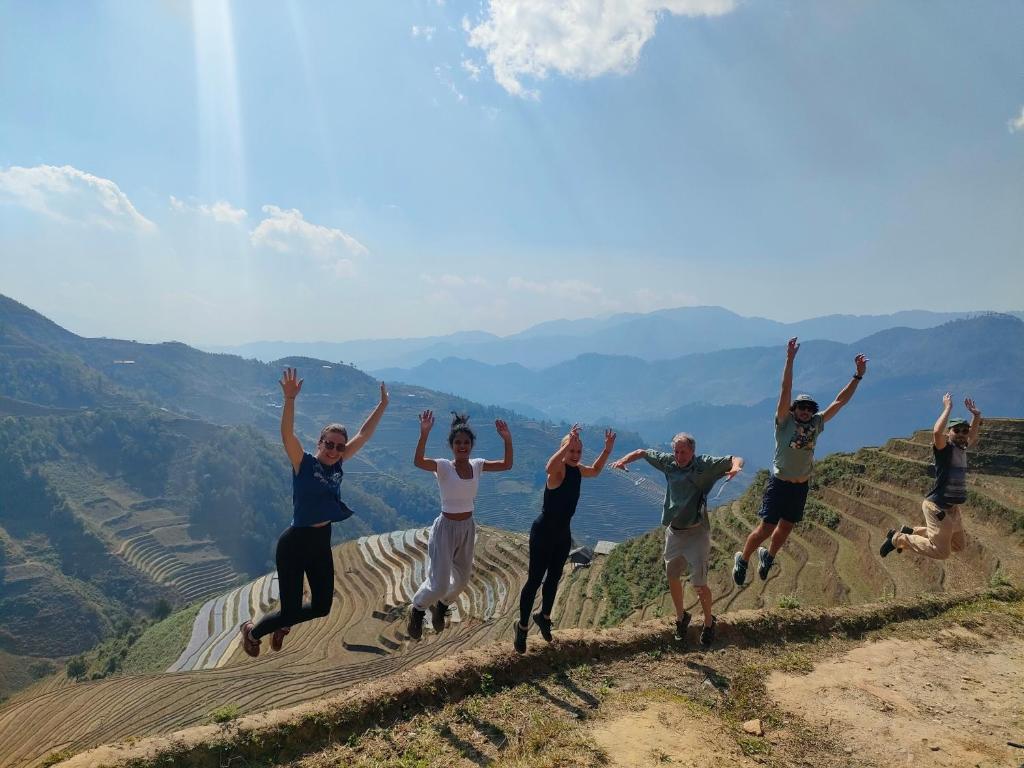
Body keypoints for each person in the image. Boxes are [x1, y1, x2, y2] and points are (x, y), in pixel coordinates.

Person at [239, 368, 389, 657]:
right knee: (291, 609)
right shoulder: (303, 462)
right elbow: (286, 434)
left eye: (339, 446)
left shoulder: (339, 462)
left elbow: (364, 434)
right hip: (294, 544)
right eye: (329, 444)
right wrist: (290, 399)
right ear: (319, 442)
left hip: (321, 541)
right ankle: (252, 631)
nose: (334, 449)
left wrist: (382, 406)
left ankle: (285, 623)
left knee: (321, 606)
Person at [733, 338, 868, 585]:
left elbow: (840, 401)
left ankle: (768, 557)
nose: (805, 411)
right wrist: (790, 359)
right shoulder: (784, 423)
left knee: (785, 528)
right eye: (801, 407)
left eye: (809, 407)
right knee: (766, 528)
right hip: (780, 484)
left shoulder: (817, 424)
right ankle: (743, 559)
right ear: (794, 409)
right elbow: (785, 390)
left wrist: (857, 377)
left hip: (800, 486)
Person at [611, 434, 743, 646]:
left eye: (683, 452)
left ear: (693, 451)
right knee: (672, 575)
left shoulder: (704, 465)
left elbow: (735, 458)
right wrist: (623, 461)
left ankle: (709, 622)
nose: (679, 456)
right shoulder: (669, 463)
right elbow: (642, 452)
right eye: (676, 451)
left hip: (696, 533)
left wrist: (736, 468)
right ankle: (682, 617)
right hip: (674, 531)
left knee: (699, 584)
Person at [407, 410, 513, 640]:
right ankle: (417, 610)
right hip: (445, 528)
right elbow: (418, 461)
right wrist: (423, 433)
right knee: (439, 583)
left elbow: (506, 465)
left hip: (467, 527)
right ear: (451, 445)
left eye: (466, 442)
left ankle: (442, 607)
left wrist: (506, 438)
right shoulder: (444, 466)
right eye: (458, 442)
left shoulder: (477, 465)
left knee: (463, 579)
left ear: (472, 445)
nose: (462, 446)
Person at [514, 425, 616, 653]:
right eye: (571, 450)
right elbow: (549, 466)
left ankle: (544, 616)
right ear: (562, 450)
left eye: (578, 451)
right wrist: (567, 444)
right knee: (535, 580)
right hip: (543, 533)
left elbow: (596, 470)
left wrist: (607, 450)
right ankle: (521, 628)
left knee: (554, 577)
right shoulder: (557, 473)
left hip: (562, 534)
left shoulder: (578, 471)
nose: (575, 455)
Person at [880, 394, 982, 559]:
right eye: (956, 430)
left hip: (952, 508)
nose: (962, 433)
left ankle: (912, 531)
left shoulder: (961, 449)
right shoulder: (944, 450)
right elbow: (936, 433)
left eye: (965, 430)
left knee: (958, 545)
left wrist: (976, 416)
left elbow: (972, 435)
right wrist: (948, 407)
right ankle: (898, 539)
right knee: (942, 552)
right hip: (937, 507)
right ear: (949, 433)